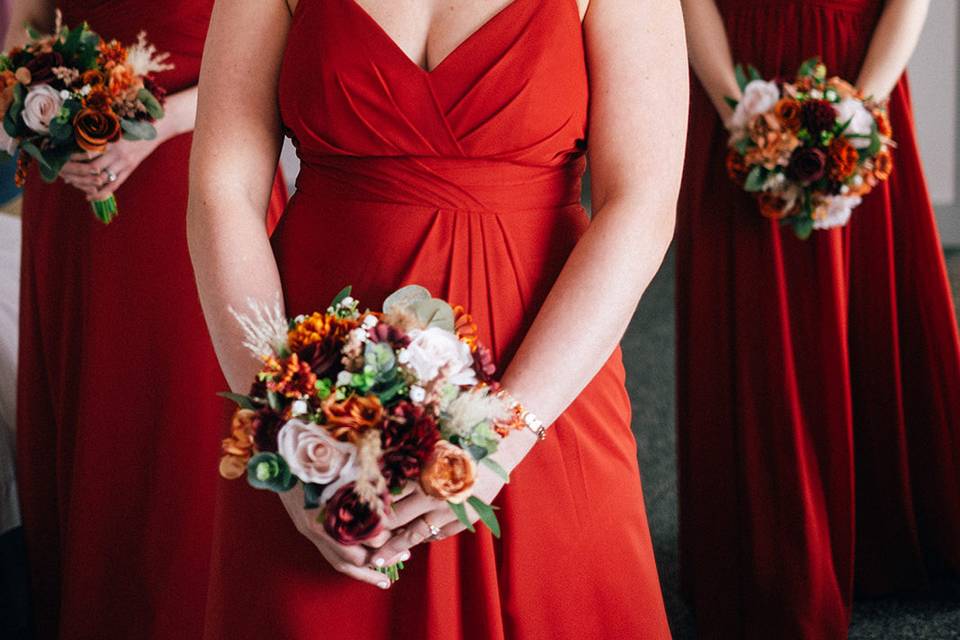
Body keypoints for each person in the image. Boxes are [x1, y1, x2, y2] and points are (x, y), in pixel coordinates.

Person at [187, 0, 686, 637]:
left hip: (546, 370)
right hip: (313, 383)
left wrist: (509, 430)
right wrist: (280, 427)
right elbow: (220, 191)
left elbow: (641, 204)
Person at [676, 0, 960, 636]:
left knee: (864, 304)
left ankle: (882, 533)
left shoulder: (861, 106)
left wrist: (859, 116)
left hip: (860, 79)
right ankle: (772, 554)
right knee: (754, 325)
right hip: (737, 80)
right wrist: (740, 118)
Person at [9, 0, 287, 637]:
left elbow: (274, 67)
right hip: (71, 187)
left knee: (186, 422)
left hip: (194, 171)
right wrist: (46, 119)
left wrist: (150, 127)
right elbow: (24, 27)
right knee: (94, 413)